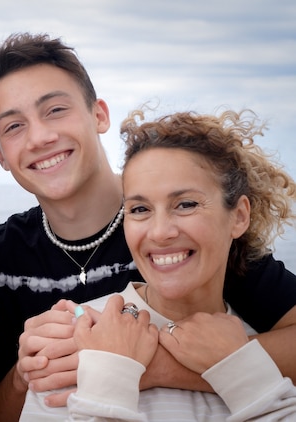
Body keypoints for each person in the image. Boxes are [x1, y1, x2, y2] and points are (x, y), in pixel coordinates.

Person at [0, 33, 296, 421]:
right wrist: (26, 374)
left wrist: (156, 366)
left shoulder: (185, 233)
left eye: (56, 109)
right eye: (13, 127)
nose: (40, 136)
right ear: (0, 156)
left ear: (99, 115)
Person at [21, 108, 296, 421]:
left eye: (186, 204)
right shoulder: (74, 346)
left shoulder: (271, 357)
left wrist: (239, 369)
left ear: (239, 216)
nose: (161, 232)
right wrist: (112, 371)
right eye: (139, 209)